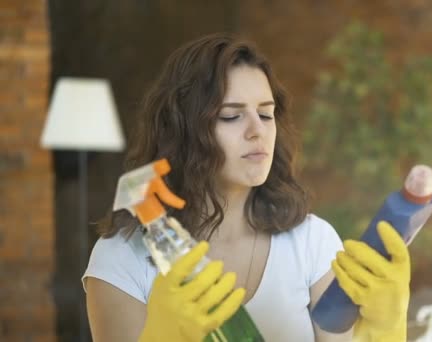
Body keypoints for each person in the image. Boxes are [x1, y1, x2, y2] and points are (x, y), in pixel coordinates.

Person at [83, 33, 411, 342]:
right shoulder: (122, 258)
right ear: (183, 131)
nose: (257, 131)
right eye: (231, 116)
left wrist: (389, 330)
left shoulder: (310, 241)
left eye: (266, 115)